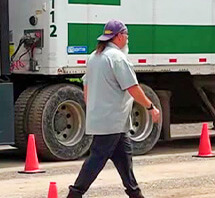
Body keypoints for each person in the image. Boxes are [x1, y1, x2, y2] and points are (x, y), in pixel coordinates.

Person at [67, 20, 160, 198]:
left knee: (124, 158)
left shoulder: (94, 56)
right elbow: (132, 87)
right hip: (111, 120)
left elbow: (86, 86)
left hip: (111, 121)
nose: (127, 40)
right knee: (96, 160)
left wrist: (94, 106)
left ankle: (135, 194)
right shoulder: (117, 58)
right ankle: (74, 194)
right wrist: (150, 106)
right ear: (118, 36)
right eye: (126, 36)